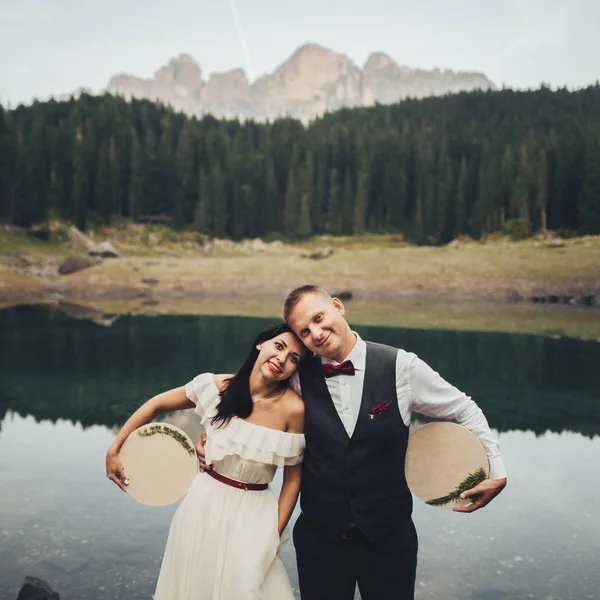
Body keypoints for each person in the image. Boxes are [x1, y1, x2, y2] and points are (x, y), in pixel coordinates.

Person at [199, 286, 507, 600]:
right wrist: (215, 435)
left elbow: (464, 409)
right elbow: (247, 391)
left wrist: (496, 470)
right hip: (320, 541)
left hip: (389, 539)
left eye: (319, 318)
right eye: (304, 331)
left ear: (337, 307)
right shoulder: (296, 374)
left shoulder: (401, 367)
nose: (316, 334)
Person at [105, 323, 307, 600]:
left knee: (248, 588)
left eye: (293, 358)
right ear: (261, 344)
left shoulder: (294, 409)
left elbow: (293, 480)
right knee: (195, 586)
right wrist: (114, 449)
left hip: (255, 511)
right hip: (203, 504)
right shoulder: (217, 387)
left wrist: (273, 534)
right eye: (279, 346)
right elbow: (155, 405)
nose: (281, 359)